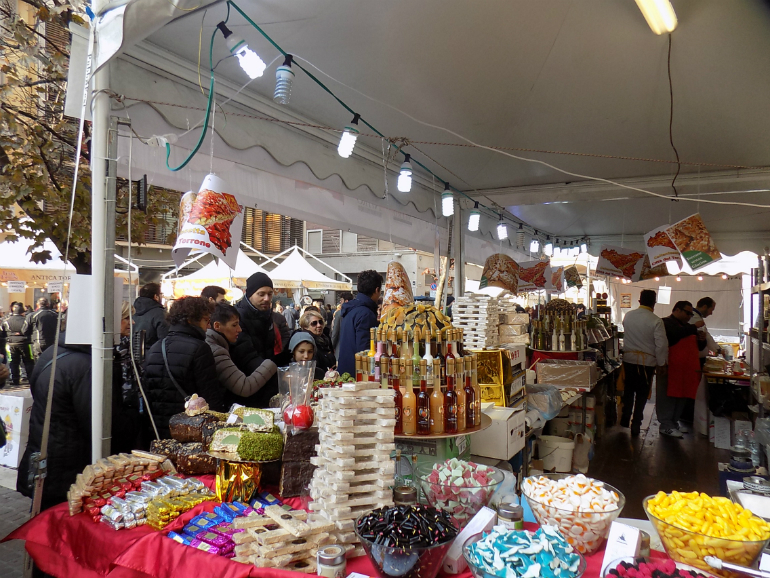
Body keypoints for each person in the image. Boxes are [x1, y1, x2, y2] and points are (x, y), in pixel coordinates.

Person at [143, 296, 224, 438]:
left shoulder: (156, 347)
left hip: (156, 428)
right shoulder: (200, 348)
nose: (208, 326)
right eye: (206, 320)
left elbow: (148, 392)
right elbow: (210, 394)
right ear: (190, 320)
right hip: (187, 428)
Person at [620, 289, 668, 436]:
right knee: (642, 394)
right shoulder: (656, 321)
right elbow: (661, 345)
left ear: (639, 301)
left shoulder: (628, 316)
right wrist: (662, 363)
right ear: (654, 303)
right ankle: (636, 423)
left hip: (628, 360)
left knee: (628, 390)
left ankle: (625, 418)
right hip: (646, 363)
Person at [206, 303, 278, 401]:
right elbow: (245, 387)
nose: (239, 329)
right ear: (217, 326)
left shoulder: (214, 344)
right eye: (234, 325)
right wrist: (274, 363)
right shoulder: (216, 351)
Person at [230, 272, 280, 407]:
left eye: (270, 294)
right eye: (261, 294)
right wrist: (277, 374)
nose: (266, 298)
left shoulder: (266, 313)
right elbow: (246, 357)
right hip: (247, 387)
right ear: (249, 294)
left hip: (264, 381)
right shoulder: (238, 317)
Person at [658, 301, 705, 438]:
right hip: (671, 368)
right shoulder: (666, 323)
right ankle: (666, 425)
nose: (689, 316)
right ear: (677, 310)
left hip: (686, 370)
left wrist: (702, 340)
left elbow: (700, 347)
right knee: (668, 397)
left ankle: (673, 423)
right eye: (687, 313)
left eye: (691, 314)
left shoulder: (687, 327)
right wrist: (694, 327)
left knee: (682, 396)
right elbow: (674, 334)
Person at [337, 270, 383, 375]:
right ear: (377, 290)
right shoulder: (366, 314)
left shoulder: (351, 309)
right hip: (357, 375)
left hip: (345, 370)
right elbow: (365, 351)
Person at [2, 302, 35, 386]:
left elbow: (3, 332)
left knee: (14, 362)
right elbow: (29, 330)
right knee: (28, 361)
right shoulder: (25, 320)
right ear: (22, 312)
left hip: (11, 342)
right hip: (25, 342)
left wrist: (11, 335)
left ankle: (15, 380)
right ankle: (31, 379)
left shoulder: (6, 320)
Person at [299, 310, 336, 378]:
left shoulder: (324, 339)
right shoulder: (306, 342)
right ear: (305, 327)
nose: (319, 325)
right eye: (314, 323)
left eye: (320, 322)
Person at [133, 283, 169, 349]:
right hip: (153, 353)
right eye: (161, 294)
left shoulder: (132, 311)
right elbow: (164, 340)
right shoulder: (160, 314)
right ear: (156, 296)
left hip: (134, 352)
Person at [691, 297, 721, 364]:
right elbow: (706, 337)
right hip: (694, 358)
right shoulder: (694, 318)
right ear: (704, 307)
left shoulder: (697, 317)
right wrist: (719, 350)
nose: (711, 313)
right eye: (711, 310)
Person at [331, 291, 353, 360]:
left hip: (340, 348)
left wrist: (332, 346)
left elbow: (335, 332)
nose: (340, 302)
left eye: (341, 300)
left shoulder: (339, 313)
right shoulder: (355, 312)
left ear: (346, 301)